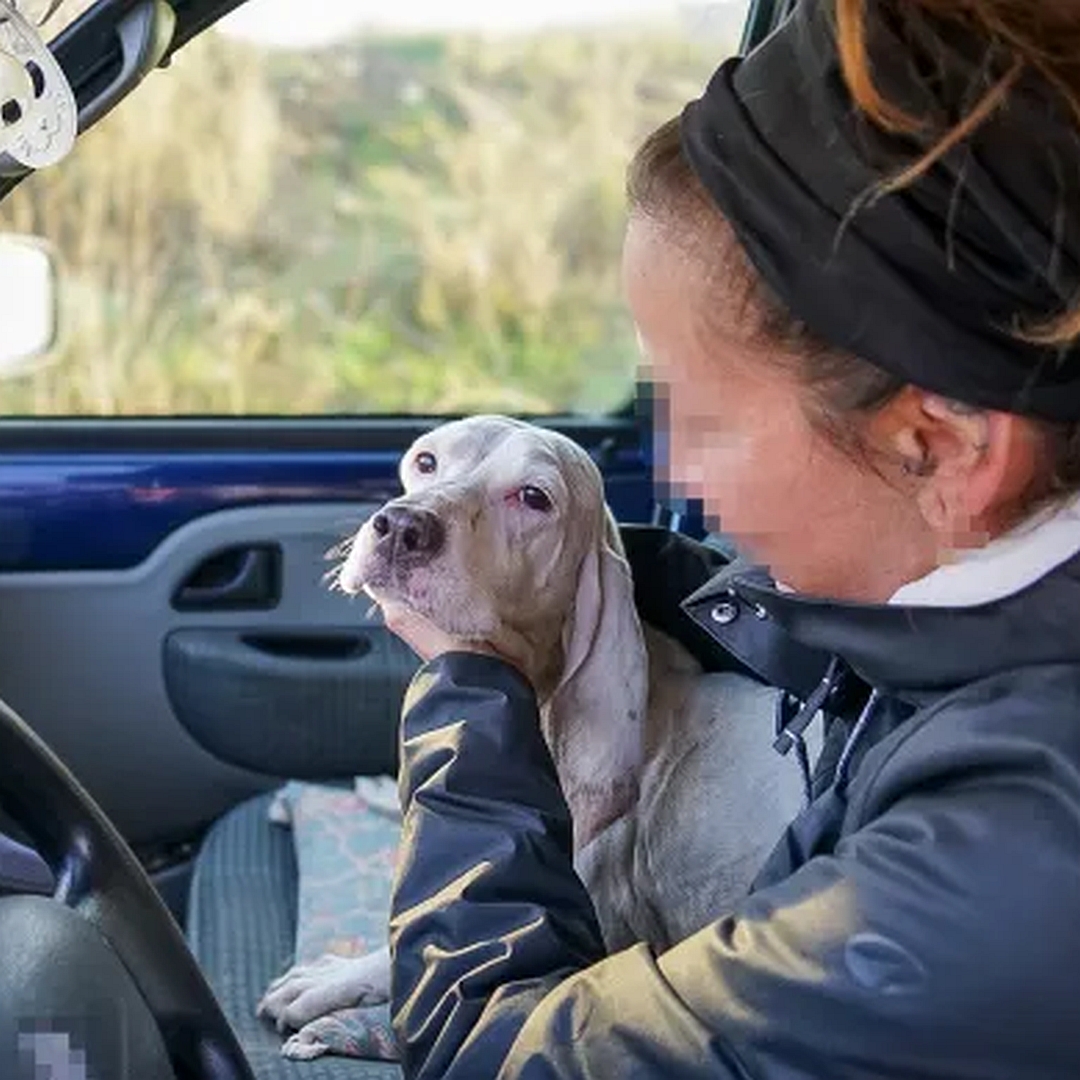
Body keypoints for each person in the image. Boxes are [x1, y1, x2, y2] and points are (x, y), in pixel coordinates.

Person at [378, 1, 1080, 1076]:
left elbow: (497, 1057)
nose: (672, 472)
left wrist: (473, 693)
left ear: (934, 447)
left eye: (703, 422)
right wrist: (604, 589)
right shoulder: (963, 635)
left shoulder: (1008, 861)